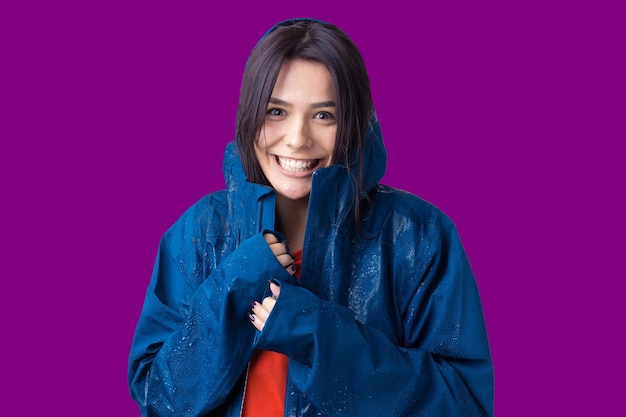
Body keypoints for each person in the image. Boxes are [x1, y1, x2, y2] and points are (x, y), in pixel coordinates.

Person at [128, 18, 494, 417]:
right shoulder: (197, 234)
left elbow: (464, 406)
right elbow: (159, 400)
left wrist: (312, 332)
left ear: (354, 122)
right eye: (277, 111)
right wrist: (236, 285)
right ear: (250, 115)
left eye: (324, 116)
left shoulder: (417, 237)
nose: (298, 138)